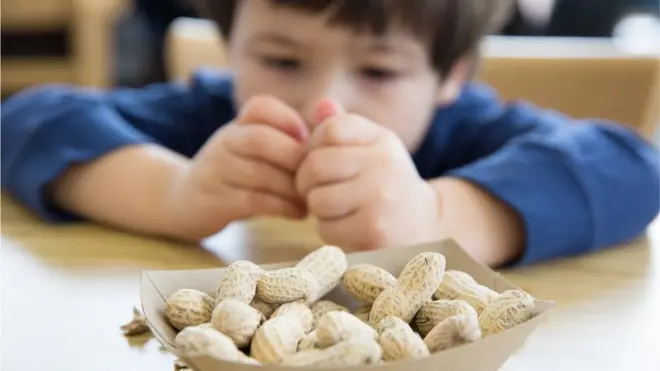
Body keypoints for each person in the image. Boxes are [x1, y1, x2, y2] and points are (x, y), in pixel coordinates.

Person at [1, 0, 658, 268]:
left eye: (378, 69)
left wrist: (438, 212)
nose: (324, 102)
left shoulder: (470, 131)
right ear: (228, 48)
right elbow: (28, 119)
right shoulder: (213, 121)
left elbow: (631, 165)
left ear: (449, 75)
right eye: (281, 60)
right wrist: (172, 191)